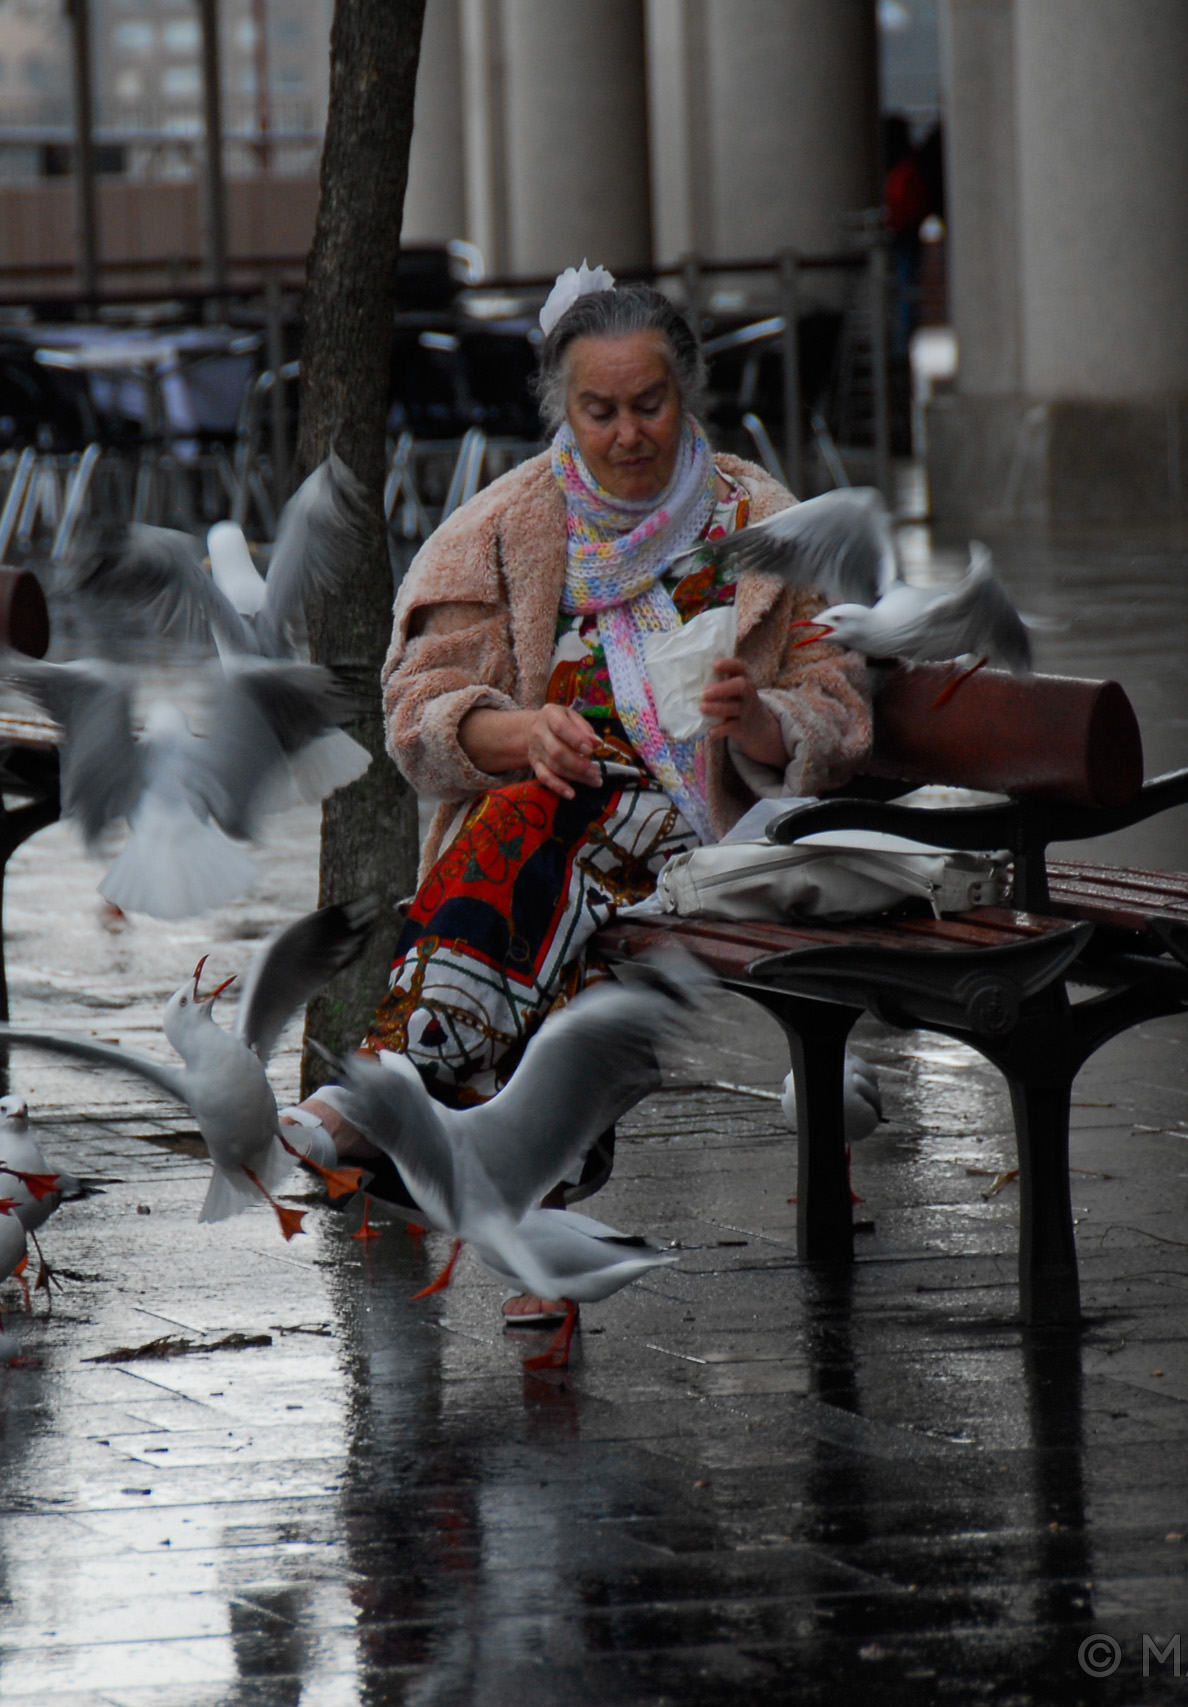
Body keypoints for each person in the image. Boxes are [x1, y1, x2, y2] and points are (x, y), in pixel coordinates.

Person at [293, 274, 872, 1324]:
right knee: (542, 834)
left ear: (687, 392)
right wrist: (517, 732)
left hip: (711, 819)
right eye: (599, 412)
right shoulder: (508, 527)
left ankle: (391, 1091)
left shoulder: (764, 523)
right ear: (563, 409)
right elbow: (419, 710)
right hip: (560, 816)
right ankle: (485, 1174)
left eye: (649, 404)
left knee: (548, 847)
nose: (628, 434)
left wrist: (762, 724)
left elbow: (839, 702)